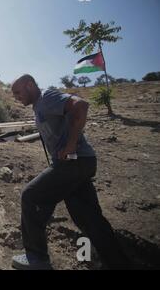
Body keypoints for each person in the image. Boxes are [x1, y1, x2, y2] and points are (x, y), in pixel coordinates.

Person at [10, 74, 130, 270]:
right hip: (81, 163)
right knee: (89, 218)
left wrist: (71, 144)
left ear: (30, 85)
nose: (16, 97)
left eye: (18, 92)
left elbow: (81, 105)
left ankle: (37, 258)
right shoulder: (39, 106)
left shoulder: (47, 97)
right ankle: (119, 263)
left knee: (31, 196)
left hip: (73, 163)